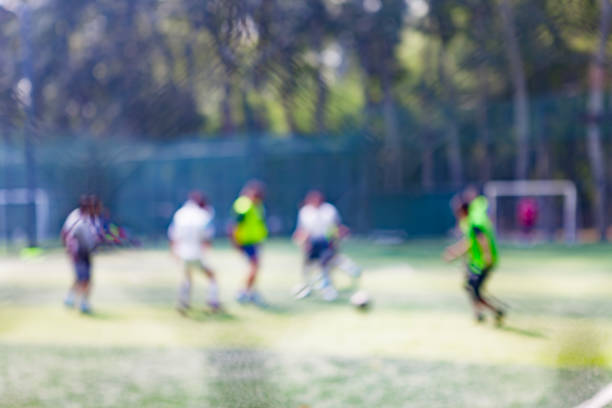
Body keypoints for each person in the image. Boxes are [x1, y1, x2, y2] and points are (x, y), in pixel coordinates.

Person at [444, 196, 505, 325]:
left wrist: (487, 255)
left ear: (463, 211)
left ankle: (496, 311)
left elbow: (481, 239)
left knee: (474, 290)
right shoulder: (469, 222)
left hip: (484, 262)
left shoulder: (473, 222)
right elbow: (470, 243)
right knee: (470, 286)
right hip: (479, 263)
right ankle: (479, 313)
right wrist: (454, 253)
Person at [292, 190, 361, 301]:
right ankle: (308, 286)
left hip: (326, 242)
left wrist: (339, 236)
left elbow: (337, 226)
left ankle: (328, 287)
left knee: (326, 263)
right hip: (312, 243)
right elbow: (302, 230)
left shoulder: (329, 210)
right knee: (308, 266)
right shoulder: (305, 211)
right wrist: (302, 241)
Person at [168, 191, 220, 313]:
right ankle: (213, 301)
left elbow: (173, 235)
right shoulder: (203, 215)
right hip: (196, 252)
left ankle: (183, 301)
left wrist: (174, 251)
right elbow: (207, 237)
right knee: (212, 276)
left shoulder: (180, 214)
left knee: (186, 276)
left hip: (181, 251)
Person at [230, 180, 268, 306]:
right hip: (246, 242)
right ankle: (243, 292)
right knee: (254, 266)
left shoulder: (258, 205)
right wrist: (236, 241)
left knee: (255, 267)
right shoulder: (243, 205)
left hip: (255, 241)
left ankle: (250, 292)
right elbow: (236, 225)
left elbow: (258, 224)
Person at [62, 195, 99, 314]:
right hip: (77, 252)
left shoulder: (93, 218)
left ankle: (74, 299)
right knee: (83, 278)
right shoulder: (77, 217)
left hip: (86, 252)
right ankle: (81, 302)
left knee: (83, 278)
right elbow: (67, 233)